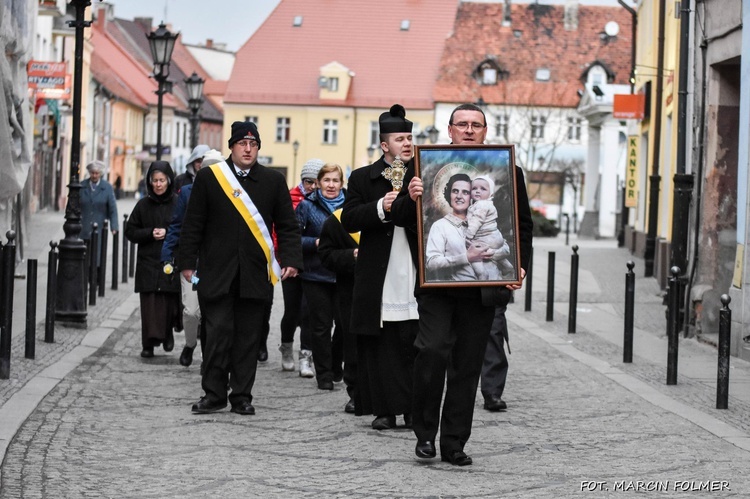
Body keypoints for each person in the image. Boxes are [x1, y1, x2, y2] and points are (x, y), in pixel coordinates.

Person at [399, 103, 532, 466]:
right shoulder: (421, 168)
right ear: (450, 129)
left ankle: (454, 442)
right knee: (432, 351)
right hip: (437, 287)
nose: (469, 130)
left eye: (476, 124)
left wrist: (520, 268)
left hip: (483, 290)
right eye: (463, 124)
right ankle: (424, 434)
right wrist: (409, 196)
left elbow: (522, 226)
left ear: (485, 130)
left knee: (467, 364)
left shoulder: (510, 171)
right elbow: (398, 217)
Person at [179, 121, 302, 416]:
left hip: (254, 274)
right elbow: (193, 223)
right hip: (217, 272)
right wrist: (185, 262)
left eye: (253, 144)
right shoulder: (210, 178)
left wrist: (292, 260)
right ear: (231, 147)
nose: (248, 149)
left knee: (248, 338)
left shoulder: (273, 181)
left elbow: (287, 225)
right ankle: (213, 394)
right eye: (242, 144)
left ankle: (242, 396)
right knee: (218, 334)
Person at [340, 104, 419, 431]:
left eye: (410, 137)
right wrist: (380, 207)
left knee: (414, 341)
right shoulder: (362, 178)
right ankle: (384, 409)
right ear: (385, 145)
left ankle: (415, 409)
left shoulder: (423, 172)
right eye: (400, 138)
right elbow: (349, 219)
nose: (407, 143)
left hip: (414, 266)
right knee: (382, 345)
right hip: (380, 271)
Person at [161, 149, 224, 367]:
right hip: (194, 268)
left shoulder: (232, 193)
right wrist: (167, 255)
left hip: (219, 267)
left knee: (214, 314)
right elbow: (177, 226)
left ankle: (208, 358)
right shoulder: (187, 193)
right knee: (192, 311)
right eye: (208, 169)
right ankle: (190, 344)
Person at [295, 163, 346, 390]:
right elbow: (294, 238)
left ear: (342, 184)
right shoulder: (307, 206)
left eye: (336, 181)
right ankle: (324, 374)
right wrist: (315, 243)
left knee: (344, 326)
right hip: (315, 274)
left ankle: (336, 363)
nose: (331, 185)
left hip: (343, 273)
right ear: (318, 183)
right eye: (327, 181)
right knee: (321, 326)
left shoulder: (351, 206)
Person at [124, 161, 181, 358]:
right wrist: (149, 233)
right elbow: (130, 231)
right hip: (148, 261)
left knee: (168, 303)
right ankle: (147, 344)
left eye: (162, 180)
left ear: (169, 180)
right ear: (150, 182)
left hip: (169, 261)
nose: (158, 184)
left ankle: (167, 334)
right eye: (155, 181)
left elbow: (186, 230)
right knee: (149, 306)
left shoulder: (177, 203)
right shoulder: (143, 205)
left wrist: (168, 234)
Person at [279, 158, 323, 376]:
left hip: (313, 264)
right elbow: (283, 232)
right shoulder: (289, 197)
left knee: (308, 311)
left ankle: (306, 356)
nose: (312, 187)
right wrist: (284, 259)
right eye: (308, 182)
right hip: (291, 262)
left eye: (317, 182)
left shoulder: (325, 201)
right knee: (292, 310)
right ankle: (286, 346)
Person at [318, 203, 359, 413]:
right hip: (351, 290)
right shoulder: (337, 220)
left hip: (391, 288)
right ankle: (356, 392)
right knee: (352, 340)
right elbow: (325, 255)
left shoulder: (391, 213)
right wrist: (351, 255)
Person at [466, 175, 513, 280]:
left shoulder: (482, 205)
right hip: (496, 238)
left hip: (486, 238)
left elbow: (476, 221)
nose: (478, 191)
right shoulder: (487, 204)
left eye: (483, 189)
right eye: (474, 188)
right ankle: (507, 266)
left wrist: (468, 235)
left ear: (491, 193)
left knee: (475, 255)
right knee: (493, 253)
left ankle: (482, 275)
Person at [80, 161, 119, 264]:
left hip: (99, 229)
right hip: (83, 228)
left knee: (97, 257)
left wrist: (114, 227)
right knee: (82, 257)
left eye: (97, 173)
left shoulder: (107, 187)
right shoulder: (82, 186)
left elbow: (112, 209)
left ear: (100, 174)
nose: (94, 175)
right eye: (92, 173)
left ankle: (96, 278)